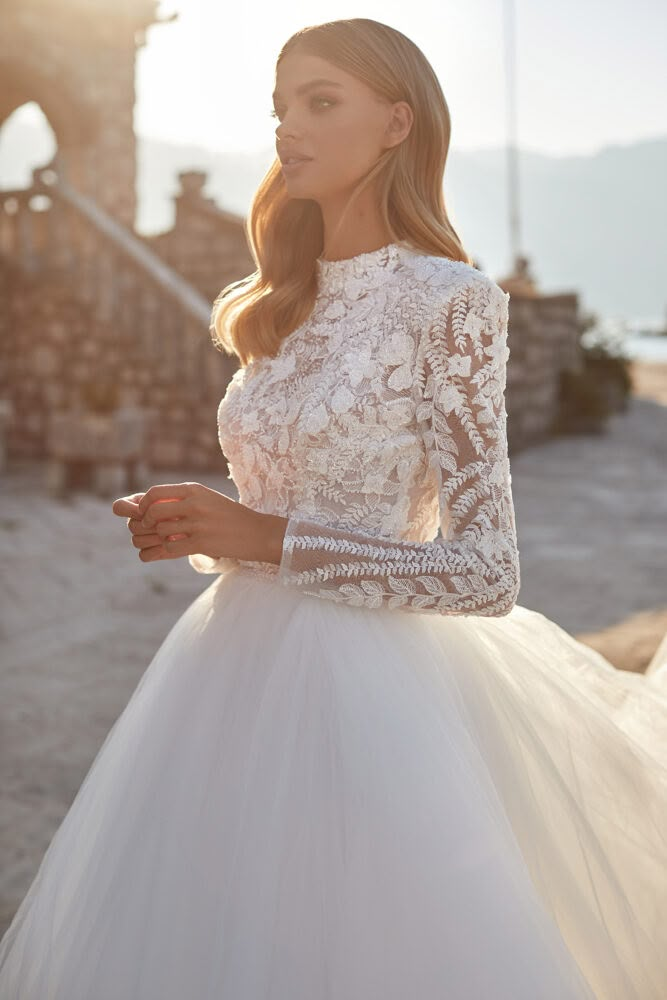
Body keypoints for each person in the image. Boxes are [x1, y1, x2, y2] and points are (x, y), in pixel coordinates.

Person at [1, 17, 666, 1000]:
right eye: (280, 107)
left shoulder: (450, 300)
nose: (288, 129)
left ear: (398, 122)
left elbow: (486, 573)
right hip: (223, 671)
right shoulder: (278, 302)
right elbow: (288, 492)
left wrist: (263, 536)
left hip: (375, 697)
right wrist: (207, 521)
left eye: (320, 103)